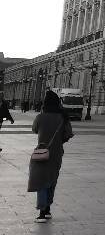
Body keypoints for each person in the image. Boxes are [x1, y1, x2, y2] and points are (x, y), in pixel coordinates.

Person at [28, 89, 74, 221]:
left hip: (41, 151)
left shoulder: (40, 117)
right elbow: (68, 134)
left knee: (40, 180)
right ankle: (47, 208)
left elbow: (34, 130)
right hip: (56, 153)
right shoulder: (63, 117)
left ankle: (42, 211)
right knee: (52, 180)